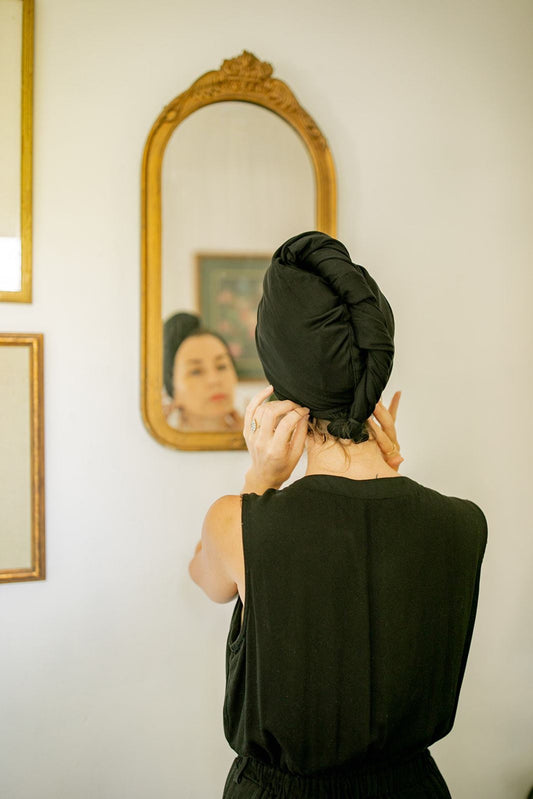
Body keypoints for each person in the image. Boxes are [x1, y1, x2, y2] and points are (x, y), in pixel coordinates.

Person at [188, 232, 488, 798]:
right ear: (377, 372)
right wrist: (391, 466)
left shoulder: (238, 521)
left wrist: (261, 481)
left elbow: (206, 580)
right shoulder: (465, 525)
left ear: (279, 383)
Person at [163, 311, 243, 431]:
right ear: (173, 386)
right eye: (196, 371)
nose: (214, 380)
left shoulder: (260, 442)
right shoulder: (158, 446)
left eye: (221, 366)